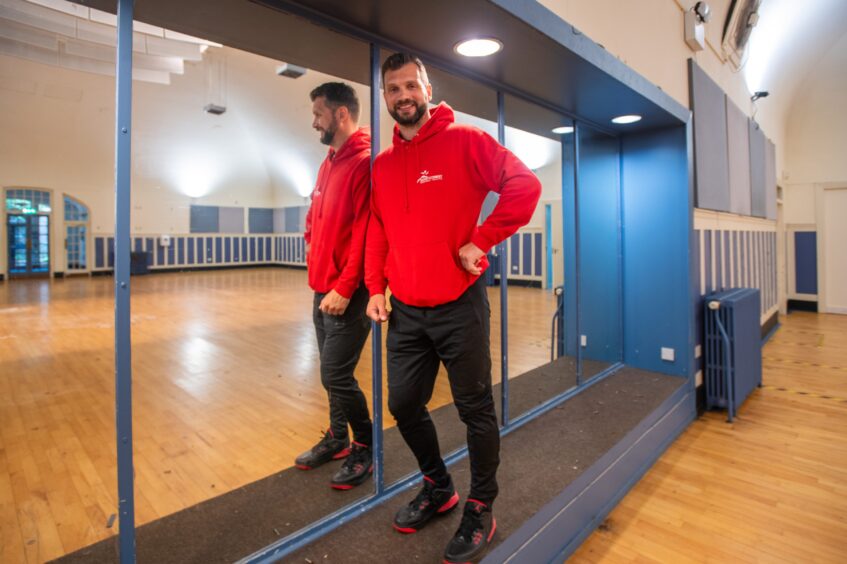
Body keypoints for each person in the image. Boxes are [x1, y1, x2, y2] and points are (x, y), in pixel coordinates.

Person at [365, 53, 541, 563]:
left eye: (411, 86)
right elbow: (378, 227)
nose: (403, 96)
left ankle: (482, 504)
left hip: (459, 305)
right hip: (406, 312)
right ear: (385, 98)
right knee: (402, 404)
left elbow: (525, 186)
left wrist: (482, 238)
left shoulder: (466, 142)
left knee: (474, 410)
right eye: (393, 89)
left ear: (427, 88)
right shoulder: (382, 164)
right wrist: (375, 288)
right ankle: (439, 487)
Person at [294, 82, 373, 490]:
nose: (314, 122)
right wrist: (312, 247)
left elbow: (366, 230)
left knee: (336, 374)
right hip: (321, 286)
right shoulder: (328, 161)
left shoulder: (364, 161)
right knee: (330, 376)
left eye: (318, 115)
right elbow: (316, 209)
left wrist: (345, 286)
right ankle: (338, 437)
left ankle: (365, 446)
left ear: (341, 115)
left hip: (348, 292)